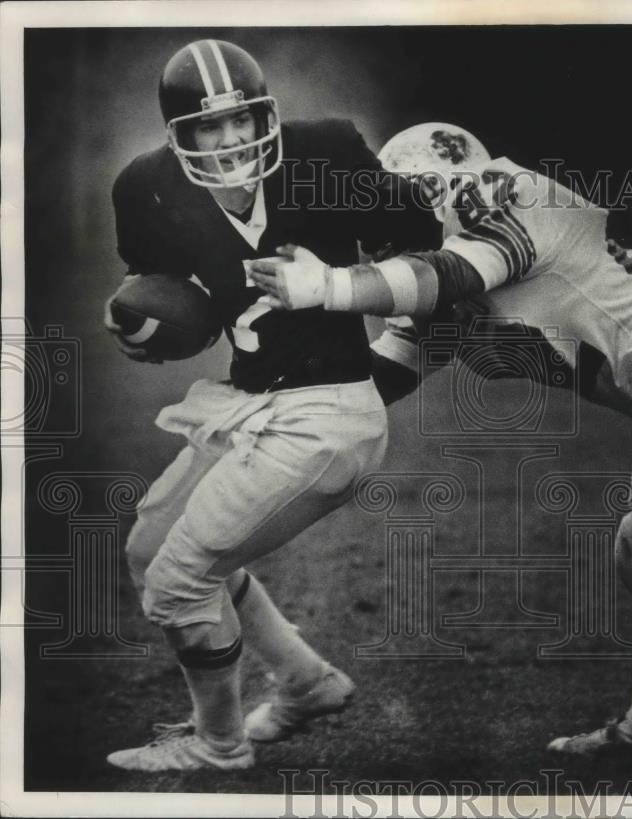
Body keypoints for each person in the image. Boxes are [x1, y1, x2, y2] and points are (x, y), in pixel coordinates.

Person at [248, 123, 632, 758]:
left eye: (409, 197)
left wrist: (327, 286)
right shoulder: (452, 277)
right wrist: (277, 407)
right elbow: (384, 374)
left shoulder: (504, 203)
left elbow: (444, 272)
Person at [102, 40, 438, 771]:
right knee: (149, 551)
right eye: (206, 127)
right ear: (176, 135)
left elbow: (433, 254)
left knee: (178, 579)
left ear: (268, 114)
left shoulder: (328, 153)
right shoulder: (147, 189)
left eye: (241, 120)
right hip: (248, 400)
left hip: (331, 413)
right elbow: (168, 300)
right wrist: (140, 324)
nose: (228, 140)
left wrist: (344, 289)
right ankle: (306, 682)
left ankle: (220, 745)